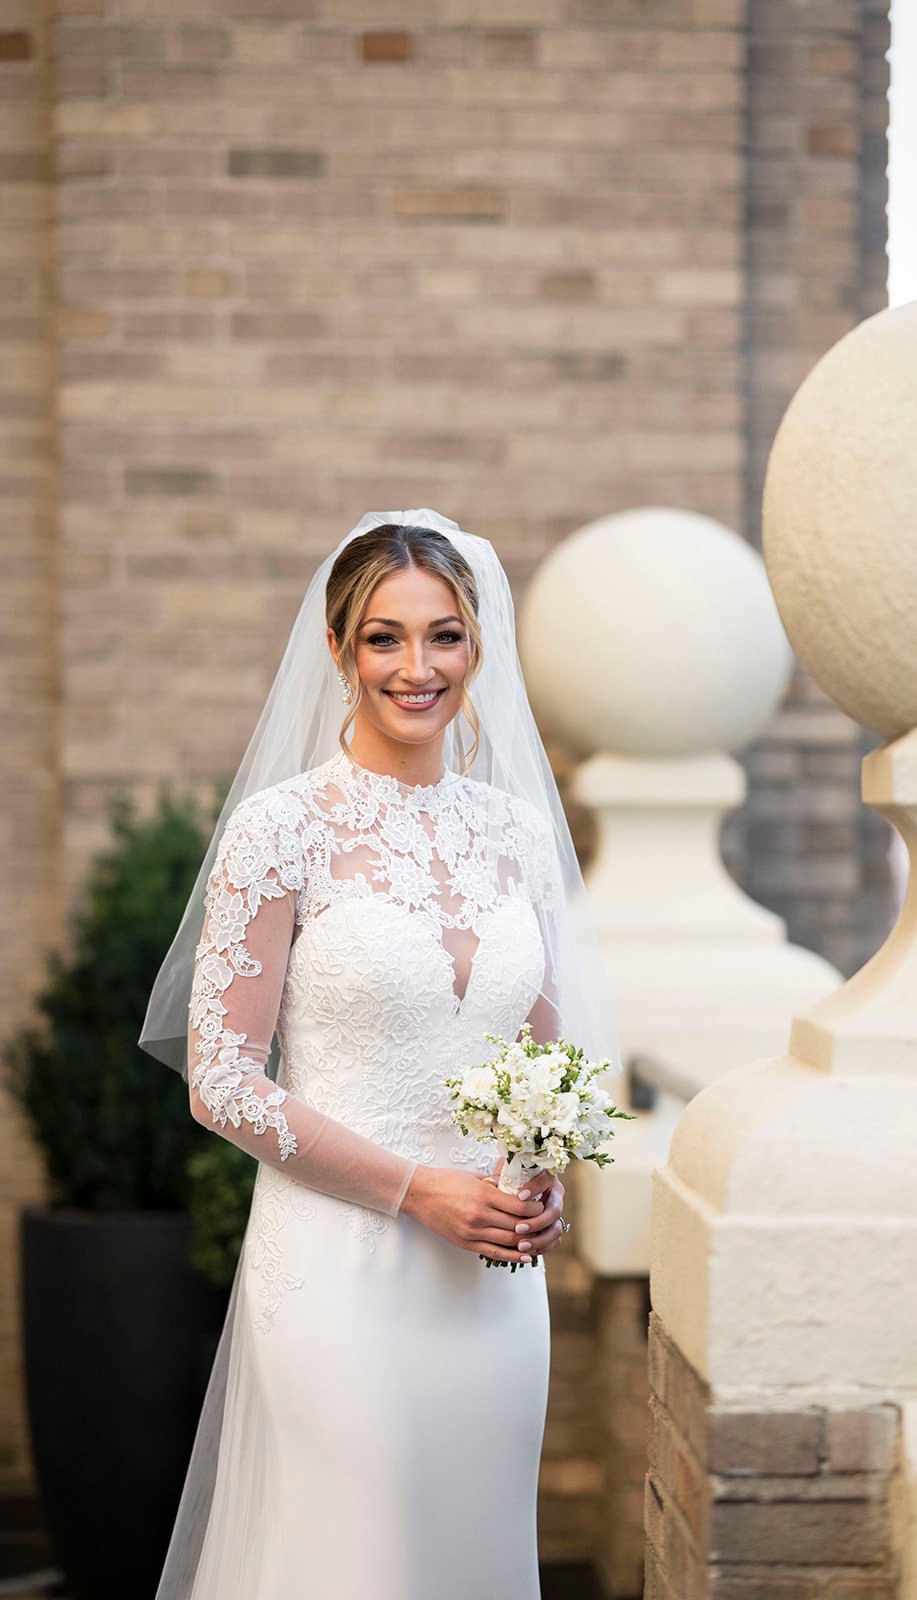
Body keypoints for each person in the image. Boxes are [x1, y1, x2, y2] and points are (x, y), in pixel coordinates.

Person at [139, 510, 621, 1600]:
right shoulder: (282, 830)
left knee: (471, 1553)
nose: (418, 667)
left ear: (478, 648)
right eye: (384, 638)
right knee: (368, 1556)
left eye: (444, 635)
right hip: (339, 1267)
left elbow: (547, 1056)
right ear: (338, 649)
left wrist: (538, 1175)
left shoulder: (519, 832)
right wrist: (414, 1190)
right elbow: (220, 1080)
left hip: (492, 1281)